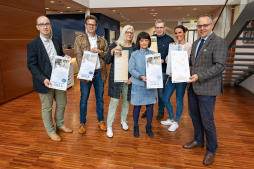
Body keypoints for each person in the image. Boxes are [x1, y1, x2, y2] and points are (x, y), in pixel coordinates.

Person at [183, 14, 227, 166]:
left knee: (207, 120)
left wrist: (198, 76)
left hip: (207, 88)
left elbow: (219, 66)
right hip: (193, 87)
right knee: (194, 116)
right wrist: (176, 68)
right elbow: (192, 63)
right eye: (199, 26)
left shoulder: (219, 42)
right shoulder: (196, 43)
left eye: (205, 25)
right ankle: (198, 140)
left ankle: (212, 150)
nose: (202, 28)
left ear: (212, 25)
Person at [27, 16, 72, 142]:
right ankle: (51, 131)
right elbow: (31, 65)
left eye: (47, 24)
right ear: (37, 27)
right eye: (42, 24)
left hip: (59, 80)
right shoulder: (32, 45)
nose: (45, 26)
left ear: (50, 26)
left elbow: (60, 55)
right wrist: (42, 79)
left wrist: (65, 57)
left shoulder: (56, 41)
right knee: (47, 108)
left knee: (62, 103)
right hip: (44, 82)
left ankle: (60, 124)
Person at [74, 15, 109, 134]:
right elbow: (78, 57)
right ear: (85, 25)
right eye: (89, 24)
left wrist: (100, 51)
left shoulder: (103, 40)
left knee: (100, 99)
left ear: (96, 26)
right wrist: (86, 72)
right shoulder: (79, 40)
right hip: (86, 75)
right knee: (84, 99)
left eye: (93, 24)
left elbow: (107, 56)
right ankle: (82, 122)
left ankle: (101, 120)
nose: (91, 26)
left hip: (99, 73)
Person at [105, 25, 136, 138]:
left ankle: (123, 120)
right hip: (117, 78)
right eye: (127, 32)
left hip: (128, 79)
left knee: (126, 101)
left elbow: (137, 64)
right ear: (123, 33)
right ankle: (109, 125)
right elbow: (107, 60)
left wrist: (132, 77)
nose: (129, 34)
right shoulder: (116, 44)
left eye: (131, 33)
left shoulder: (134, 47)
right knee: (114, 101)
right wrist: (113, 50)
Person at [142, 19, 174, 120]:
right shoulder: (151, 39)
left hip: (163, 71)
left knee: (160, 92)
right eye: (157, 27)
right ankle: (148, 109)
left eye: (161, 27)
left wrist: (164, 60)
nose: (159, 29)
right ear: (154, 28)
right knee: (150, 91)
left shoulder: (170, 40)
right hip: (150, 69)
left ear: (164, 28)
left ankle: (161, 110)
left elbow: (172, 56)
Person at [161, 25, 192, 131]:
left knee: (179, 100)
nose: (178, 35)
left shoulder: (188, 46)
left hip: (181, 78)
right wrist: (171, 50)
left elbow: (188, 63)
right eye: (176, 33)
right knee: (165, 98)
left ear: (184, 33)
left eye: (180, 32)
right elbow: (167, 60)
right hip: (171, 76)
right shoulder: (174, 45)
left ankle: (176, 121)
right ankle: (171, 118)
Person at [129, 32, 157, 138]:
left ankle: (148, 127)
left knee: (150, 107)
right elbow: (131, 69)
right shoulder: (134, 54)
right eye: (142, 40)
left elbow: (156, 68)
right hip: (138, 84)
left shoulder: (153, 53)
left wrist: (159, 60)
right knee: (137, 107)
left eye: (146, 40)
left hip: (150, 85)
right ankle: (136, 126)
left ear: (149, 41)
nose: (144, 42)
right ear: (138, 42)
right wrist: (140, 76)